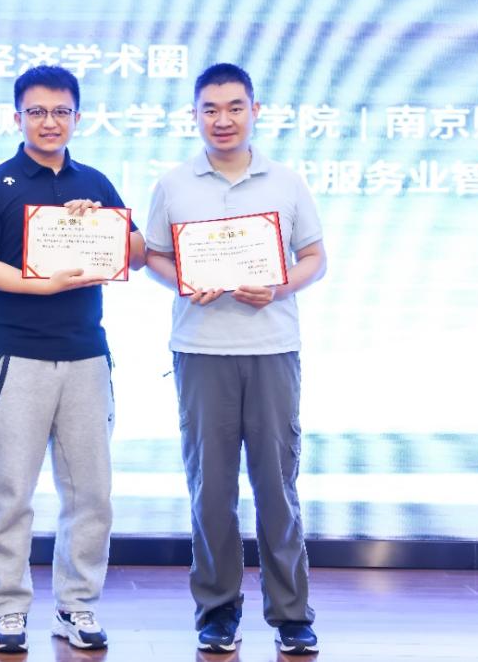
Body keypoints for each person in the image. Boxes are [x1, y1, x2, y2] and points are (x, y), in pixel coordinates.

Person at [0, 65, 145, 653]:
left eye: (60, 112)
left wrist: (104, 228)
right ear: (17, 117)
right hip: (17, 354)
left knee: (90, 492)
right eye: (36, 112)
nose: (49, 122)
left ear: (77, 118)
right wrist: (38, 285)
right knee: (11, 490)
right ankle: (8, 610)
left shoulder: (95, 182)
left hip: (86, 355)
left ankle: (76, 605)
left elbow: (138, 253)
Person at [144, 63, 326, 656]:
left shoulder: (286, 182)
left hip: (272, 348)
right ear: (194, 115)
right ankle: (218, 610)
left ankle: (291, 614)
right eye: (210, 109)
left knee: (277, 486)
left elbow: (315, 257)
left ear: (255, 110)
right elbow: (153, 255)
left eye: (234, 107)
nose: (222, 120)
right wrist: (184, 281)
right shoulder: (174, 184)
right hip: (201, 350)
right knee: (210, 489)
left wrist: (278, 287)